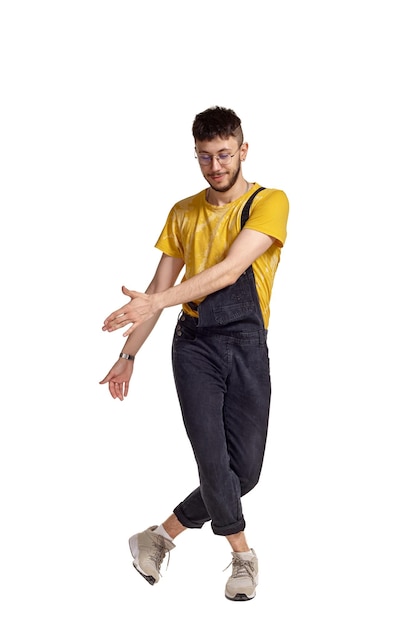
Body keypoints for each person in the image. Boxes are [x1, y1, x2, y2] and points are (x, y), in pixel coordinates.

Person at [100, 106, 289, 601]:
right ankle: (242, 555)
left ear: (242, 151)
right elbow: (157, 289)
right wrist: (129, 356)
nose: (216, 166)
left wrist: (159, 300)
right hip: (195, 346)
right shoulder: (183, 211)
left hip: (248, 344)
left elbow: (229, 272)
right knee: (212, 458)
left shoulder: (270, 202)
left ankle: (158, 537)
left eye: (225, 154)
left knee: (243, 472)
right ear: (197, 156)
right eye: (205, 157)